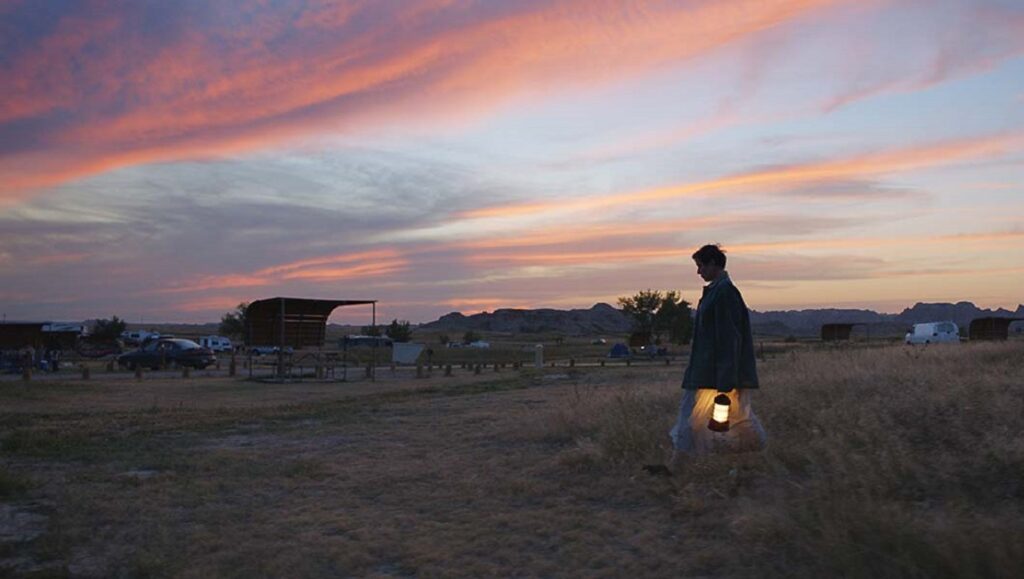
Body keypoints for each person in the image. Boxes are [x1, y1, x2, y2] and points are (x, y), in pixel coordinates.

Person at [668, 244, 766, 468]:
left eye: (701, 266)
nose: (698, 272)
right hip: (706, 368)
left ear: (713, 263)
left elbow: (729, 337)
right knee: (728, 414)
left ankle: (678, 465)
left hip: (713, 371)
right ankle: (681, 462)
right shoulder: (717, 291)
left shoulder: (724, 293)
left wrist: (726, 377)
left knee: (703, 415)